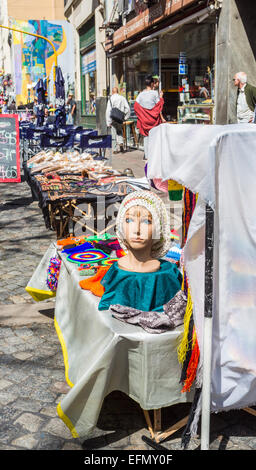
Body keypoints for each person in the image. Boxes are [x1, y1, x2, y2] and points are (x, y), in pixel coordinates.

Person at [98, 190, 182, 312]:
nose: (137, 229)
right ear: (121, 225)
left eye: (146, 221)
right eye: (129, 220)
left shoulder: (168, 274)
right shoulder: (117, 271)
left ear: (158, 229)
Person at [134, 75, 164, 160]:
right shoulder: (155, 93)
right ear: (151, 84)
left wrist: (142, 114)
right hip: (153, 119)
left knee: (146, 137)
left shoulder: (141, 94)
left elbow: (136, 106)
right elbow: (158, 106)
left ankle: (147, 155)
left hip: (144, 120)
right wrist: (161, 97)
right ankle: (153, 155)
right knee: (154, 137)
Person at [105, 87, 130, 153]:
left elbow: (108, 111)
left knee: (113, 133)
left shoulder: (110, 99)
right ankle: (121, 144)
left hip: (113, 119)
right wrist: (125, 117)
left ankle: (115, 149)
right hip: (120, 118)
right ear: (118, 91)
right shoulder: (122, 98)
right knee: (119, 131)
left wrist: (108, 122)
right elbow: (128, 109)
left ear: (112, 92)